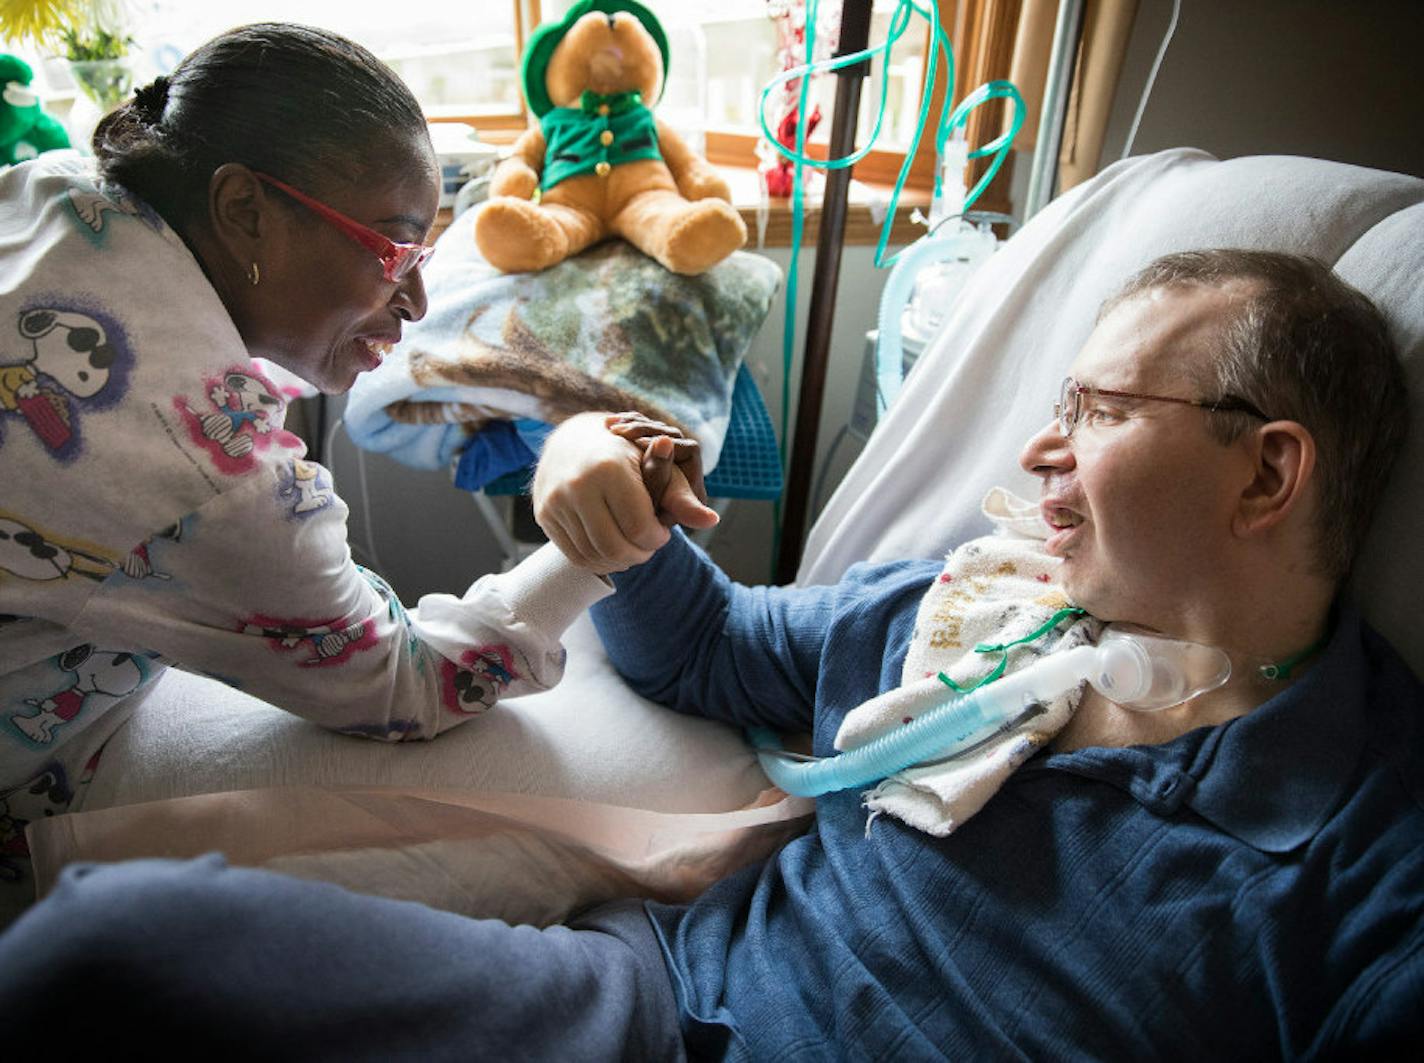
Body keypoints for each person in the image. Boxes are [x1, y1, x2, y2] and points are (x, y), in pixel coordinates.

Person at [1, 249, 1420, 1060]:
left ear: (1265, 474)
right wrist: (594, 476)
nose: (1043, 448)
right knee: (101, 947)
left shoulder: (1373, 843)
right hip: (643, 1008)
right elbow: (714, 648)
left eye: (1101, 410)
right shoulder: (982, 611)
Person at [0, 24, 649, 912]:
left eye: (423, 261)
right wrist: (589, 555)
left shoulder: (53, 190)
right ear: (243, 210)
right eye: (392, 251)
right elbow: (408, 683)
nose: (415, 301)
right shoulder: (208, 468)